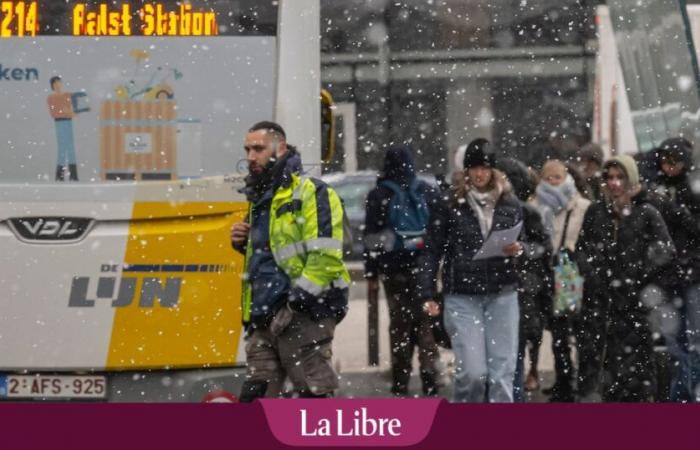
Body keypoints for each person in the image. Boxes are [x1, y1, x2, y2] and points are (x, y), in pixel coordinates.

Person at [231, 121, 350, 401]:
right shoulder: (260, 196)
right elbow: (270, 253)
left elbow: (326, 257)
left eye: (258, 149)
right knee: (255, 400)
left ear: (280, 148)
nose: (250, 156)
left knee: (313, 401)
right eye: (247, 149)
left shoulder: (313, 192)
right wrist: (243, 244)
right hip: (263, 318)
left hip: (304, 316)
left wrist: (296, 304)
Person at [419, 138, 523, 402]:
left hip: (503, 291)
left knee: (503, 373)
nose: (480, 174)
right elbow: (432, 249)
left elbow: (535, 243)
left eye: (485, 168)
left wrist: (520, 249)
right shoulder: (449, 204)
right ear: (466, 171)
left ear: (493, 170)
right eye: (474, 168)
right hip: (463, 294)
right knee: (473, 374)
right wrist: (427, 293)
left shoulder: (510, 203)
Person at [576, 155, 675, 402]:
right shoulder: (596, 211)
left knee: (634, 377)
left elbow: (665, 251)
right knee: (596, 372)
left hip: (633, 308)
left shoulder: (647, 212)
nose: (614, 183)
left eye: (620, 177)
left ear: (631, 179)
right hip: (598, 306)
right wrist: (592, 274)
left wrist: (638, 277)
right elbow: (582, 249)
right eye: (609, 177)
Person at [364, 144, 442, 397]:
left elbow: (371, 237)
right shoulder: (426, 190)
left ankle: (401, 381)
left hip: (393, 268)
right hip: (425, 267)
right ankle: (430, 378)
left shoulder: (379, 194)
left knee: (399, 323)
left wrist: (372, 271)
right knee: (426, 321)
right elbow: (439, 229)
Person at [532, 160, 591, 401]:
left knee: (571, 330)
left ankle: (575, 382)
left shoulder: (581, 206)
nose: (554, 181)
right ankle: (563, 380)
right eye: (549, 177)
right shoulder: (535, 206)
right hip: (546, 270)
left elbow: (589, 241)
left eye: (558, 177)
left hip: (569, 270)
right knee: (556, 333)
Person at [496, 158, 552, 401]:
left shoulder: (526, 212)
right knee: (503, 358)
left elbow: (543, 248)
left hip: (519, 291)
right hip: (499, 289)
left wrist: (522, 250)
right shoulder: (485, 209)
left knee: (513, 355)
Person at [652, 138, 700, 402]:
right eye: (665, 161)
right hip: (669, 276)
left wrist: (675, 211)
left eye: (674, 162)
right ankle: (680, 397)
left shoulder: (691, 191)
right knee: (675, 344)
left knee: (692, 343)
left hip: (692, 274)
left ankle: (686, 396)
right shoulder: (657, 190)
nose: (668, 167)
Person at [47, 76, 79, 181]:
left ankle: (73, 175)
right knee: (62, 148)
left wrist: (70, 112)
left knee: (70, 148)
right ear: (52, 85)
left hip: (68, 122)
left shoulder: (67, 95)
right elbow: (54, 113)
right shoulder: (51, 98)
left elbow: (75, 109)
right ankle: (59, 175)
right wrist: (66, 112)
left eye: (59, 82)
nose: (58, 85)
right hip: (59, 123)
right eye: (55, 83)